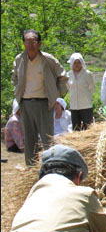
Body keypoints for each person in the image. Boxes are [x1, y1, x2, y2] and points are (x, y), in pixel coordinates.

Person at [13, 29, 68, 166]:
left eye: (33, 41)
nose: (30, 44)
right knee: (29, 139)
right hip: (26, 103)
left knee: (47, 139)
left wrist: (57, 94)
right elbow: (15, 78)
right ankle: (30, 168)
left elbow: (63, 76)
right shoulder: (20, 59)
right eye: (27, 41)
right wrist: (17, 93)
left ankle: (51, 166)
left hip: (44, 103)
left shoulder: (47, 60)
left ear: (39, 43)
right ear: (24, 43)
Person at [66, 53, 95, 131]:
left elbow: (92, 88)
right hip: (74, 105)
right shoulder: (68, 75)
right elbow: (69, 87)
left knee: (88, 128)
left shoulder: (87, 74)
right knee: (76, 128)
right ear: (72, 63)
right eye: (75, 62)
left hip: (86, 105)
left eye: (79, 62)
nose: (77, 65)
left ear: (82, 63)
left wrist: (85, 96)